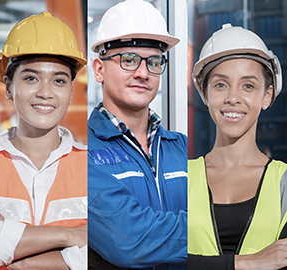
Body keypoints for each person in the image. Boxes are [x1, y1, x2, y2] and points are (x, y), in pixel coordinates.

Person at [88, 0, 187, 269]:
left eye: (154, 62)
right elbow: (131, 241)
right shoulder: (79, 151)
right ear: (99, 69)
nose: (143, 73)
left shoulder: (184, 149)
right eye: (129, 60)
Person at [0, 11, 88, 270]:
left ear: (70, 92)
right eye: (31, 78)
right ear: (9, 87)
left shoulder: (95, 167)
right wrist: (70, 236)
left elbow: (104, 252)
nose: (45, 92)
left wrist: (16, 259)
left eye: (59, 80)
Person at [188, 23, 287, 270]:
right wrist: (247, 263)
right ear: (206, 94)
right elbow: (156, 261)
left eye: (248, 85)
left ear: (267, 96)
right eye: (221, 84)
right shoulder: (179, 177)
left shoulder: (284, 182)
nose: (233, 97)